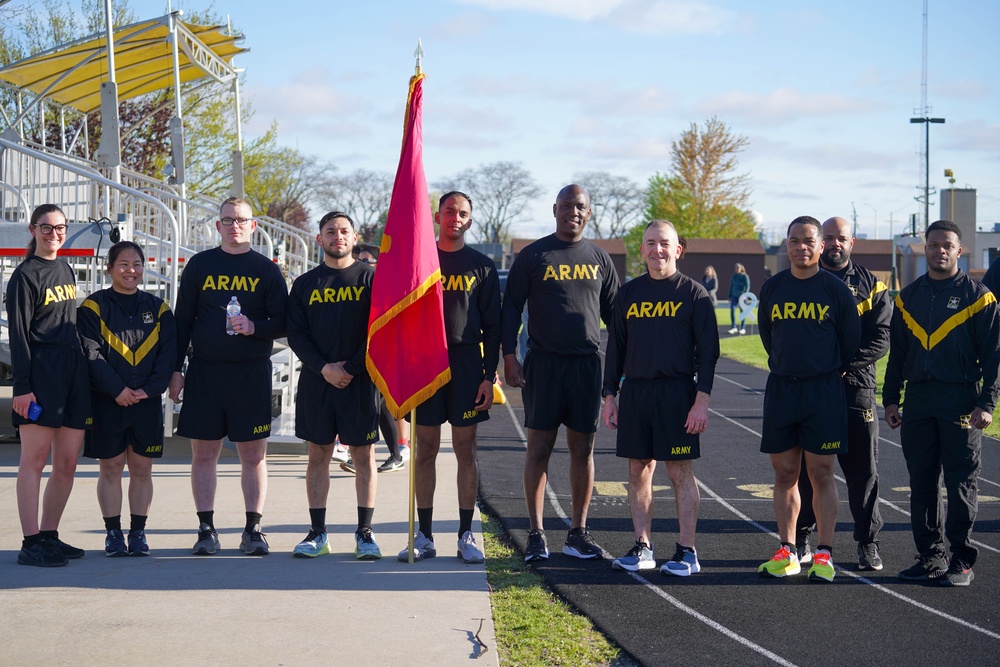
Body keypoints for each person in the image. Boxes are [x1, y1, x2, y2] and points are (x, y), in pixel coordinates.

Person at [501, 184, 620, 562]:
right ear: (555, 209)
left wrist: (617, 374)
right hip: (544, 364)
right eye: (567, 205)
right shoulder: (534, 254)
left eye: (580, 206)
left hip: (586, 365)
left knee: (583, 450)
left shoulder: (600, 258)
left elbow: (618, 320)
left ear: (589, 211)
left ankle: (577, 533)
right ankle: (536, 534)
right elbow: (510, 310)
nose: (574, 211)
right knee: (539, 448)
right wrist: (509, 356)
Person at [168, 197, 288, 556]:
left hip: (250, 373)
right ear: (217, 226)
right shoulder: (200, 265)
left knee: (253, 455)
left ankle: (253, 529)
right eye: (227, 220)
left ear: (253, 226)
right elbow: (182, 321)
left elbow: (284, 323)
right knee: (204, 454)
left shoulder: (266, 270)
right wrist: (176, 369)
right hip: (205, 371)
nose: (234, 225)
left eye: (241, 220)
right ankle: (206, 529)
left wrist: (254, 326)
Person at [884, 219, 1000, 587]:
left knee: (961, 482)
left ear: (958, 250)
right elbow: (897, 355)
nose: (939, 251)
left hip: (961, 401)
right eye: (933, 245)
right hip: (918, 401)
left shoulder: (979, 297)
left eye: (946, 245)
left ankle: (961, 560)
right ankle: (930, 556)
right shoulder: (907, 297)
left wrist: (987, 403)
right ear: (925, 248)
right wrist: (890, 400)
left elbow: (995, 356)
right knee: (921, 483)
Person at [603, 220, 719, 575]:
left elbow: (709, 353)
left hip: (677, 392)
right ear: (642, 250)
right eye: (651, 243)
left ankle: (687, 551)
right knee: (638, 471)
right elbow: (616, 349)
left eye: (664, 243)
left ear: (678, 249)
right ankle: (643, 546)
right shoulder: (628, 294)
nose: (658, 250)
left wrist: (701, 400)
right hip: (637, 393)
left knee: (679, 471)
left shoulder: (694, 294)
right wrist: (610, 395)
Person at [398, 191, 501, 564]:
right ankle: (424, 536)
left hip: (466, 365)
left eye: (462, 213)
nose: (455, 217)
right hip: (425, 363)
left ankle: (465, 534)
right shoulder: (419, 262)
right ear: (437, 217)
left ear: (469, 221)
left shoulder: (483, 266)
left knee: (464, 451)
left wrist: (489, 376)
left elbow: (493, 326)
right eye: (448, 211)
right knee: (424, 451)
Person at [756, 216, 860, 582]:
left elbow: (850, 343)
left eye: (809, 241)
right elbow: (769, 338)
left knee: (821, 473)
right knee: (785, 473)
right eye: (795, 240)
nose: (802, 246)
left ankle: (824, 554)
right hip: (783, 389)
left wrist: (825, 370)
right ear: (787, 245)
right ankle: (788, 551)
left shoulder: (835, 291)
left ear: (820, 246)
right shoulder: (772, 289)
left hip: (823, 391)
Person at [794, 217, 891, 571]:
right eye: (829, 238)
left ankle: (868, 544)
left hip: (855, 389)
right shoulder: (802, 280)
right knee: (808, 469)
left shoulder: (872, 287)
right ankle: (803, 536)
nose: (835, 244)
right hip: (810, 391)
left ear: (853, 243)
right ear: (820, 242)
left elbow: (881, 338)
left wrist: (842, 365)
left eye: (842, 239)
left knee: (862, 471)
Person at [287, 211, 383, 559]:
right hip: (318, 382)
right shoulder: (305, 284)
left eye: (344, 231)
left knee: (364, 456)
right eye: (330, 231)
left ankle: (365, 533)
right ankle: (318, 533)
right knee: (318, 455)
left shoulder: (371, 279)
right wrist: (324, 368)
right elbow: (296, 333)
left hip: (360, 382)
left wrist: (351, 367)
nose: (337, 236)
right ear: (319, 239)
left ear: (354, 238)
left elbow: (380, 330)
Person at [78, 241, 177, 557]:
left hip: (146, 402)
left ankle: (137, 534)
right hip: (108, 402)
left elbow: (168, 355)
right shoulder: (92, 307)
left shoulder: (159, 308)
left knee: (142, 469)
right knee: (109, 468)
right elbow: (90, 353)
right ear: (109, 268)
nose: (130, 270)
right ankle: (112, 535)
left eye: (136, 264)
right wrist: (117, 390)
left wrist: (150, 389)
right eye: (123, 264)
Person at [8, 204, 91, 567]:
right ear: (32, 230)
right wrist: (22, 387)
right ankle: (30, 542)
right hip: (41, 374)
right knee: (34, 461)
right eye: (46, 227)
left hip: (72, 373)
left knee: (68, 463)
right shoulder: (24, 276)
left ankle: (49, 535)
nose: (53, 233)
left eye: (59, 228)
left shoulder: (65, 268)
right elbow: (19, 336)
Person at [339, 243, 407, 475]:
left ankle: (379, 454)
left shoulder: (386, 287)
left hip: (381, 354)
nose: (362, 264)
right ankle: (393, 454)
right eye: (360, 260)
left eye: (367, 261)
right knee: (378, 406)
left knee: (375, 405)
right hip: (361, 354)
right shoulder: (358, 284)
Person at [727, 263, 750, 334]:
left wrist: (745, 295)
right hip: (734, 296)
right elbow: (731, 286)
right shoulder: (733, 276)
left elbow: (747, 286)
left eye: (738, 268)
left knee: (742, 312)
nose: (737, 269)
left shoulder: (745, 276)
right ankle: (733, 327)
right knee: (732, 310)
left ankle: (743, 328)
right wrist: (729, 296)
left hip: (742, 296)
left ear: (741, 269)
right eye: (736, 268)